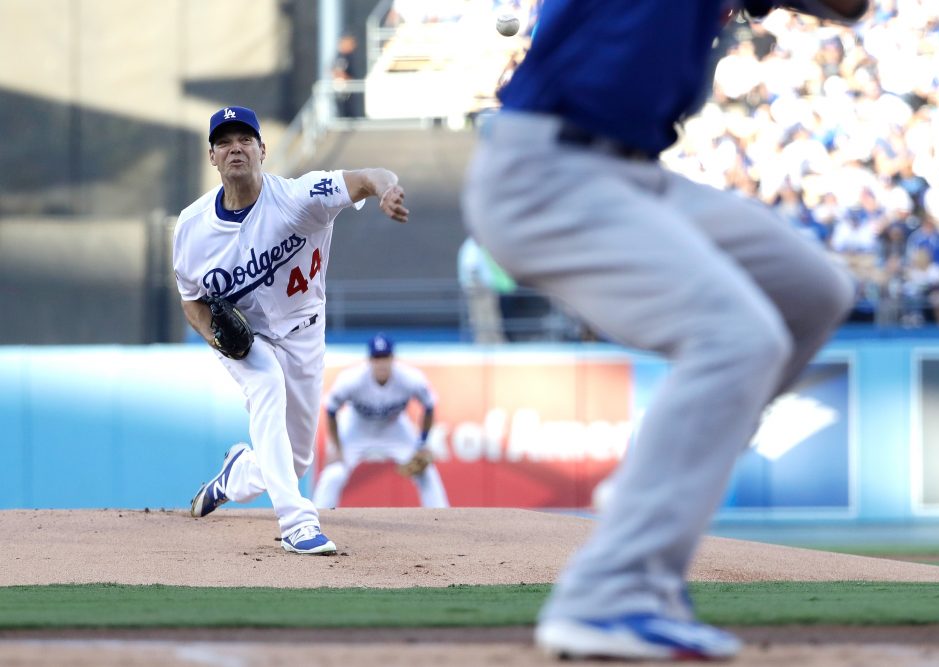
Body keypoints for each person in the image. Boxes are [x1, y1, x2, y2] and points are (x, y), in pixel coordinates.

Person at [462, 0, 865, 660]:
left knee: (813, 293)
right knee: (739, 336)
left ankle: (647, 488)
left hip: (633, 174)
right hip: (543, 170)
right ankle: (608, 592)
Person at [175, 105, 408, 555]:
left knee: (296, 456)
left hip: (304, 329)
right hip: (246, 339)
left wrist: (386, 189)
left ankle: (238, 474)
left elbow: (366, 175)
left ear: (263, 149)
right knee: (266, 385)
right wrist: (218, 339)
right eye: (224, 142)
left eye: (245, 139)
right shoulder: (191, 227)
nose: (235, 148)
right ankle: (298, 522)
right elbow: (191, 302)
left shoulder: (301, 197)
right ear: (212, 157)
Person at [312, 333, 449, 509]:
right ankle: (317, 518)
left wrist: (422, 443)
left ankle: (444, 518)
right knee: (334, 472)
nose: (381, 363)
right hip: (357, 428)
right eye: (377, 358)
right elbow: (331, 409)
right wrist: (337, 448)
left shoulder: (410, 378)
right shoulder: (352, 379)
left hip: (394, 428)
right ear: (370, 360)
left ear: (393, 358)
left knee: (426, 472)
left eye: (385, 357)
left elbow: (429, 405)